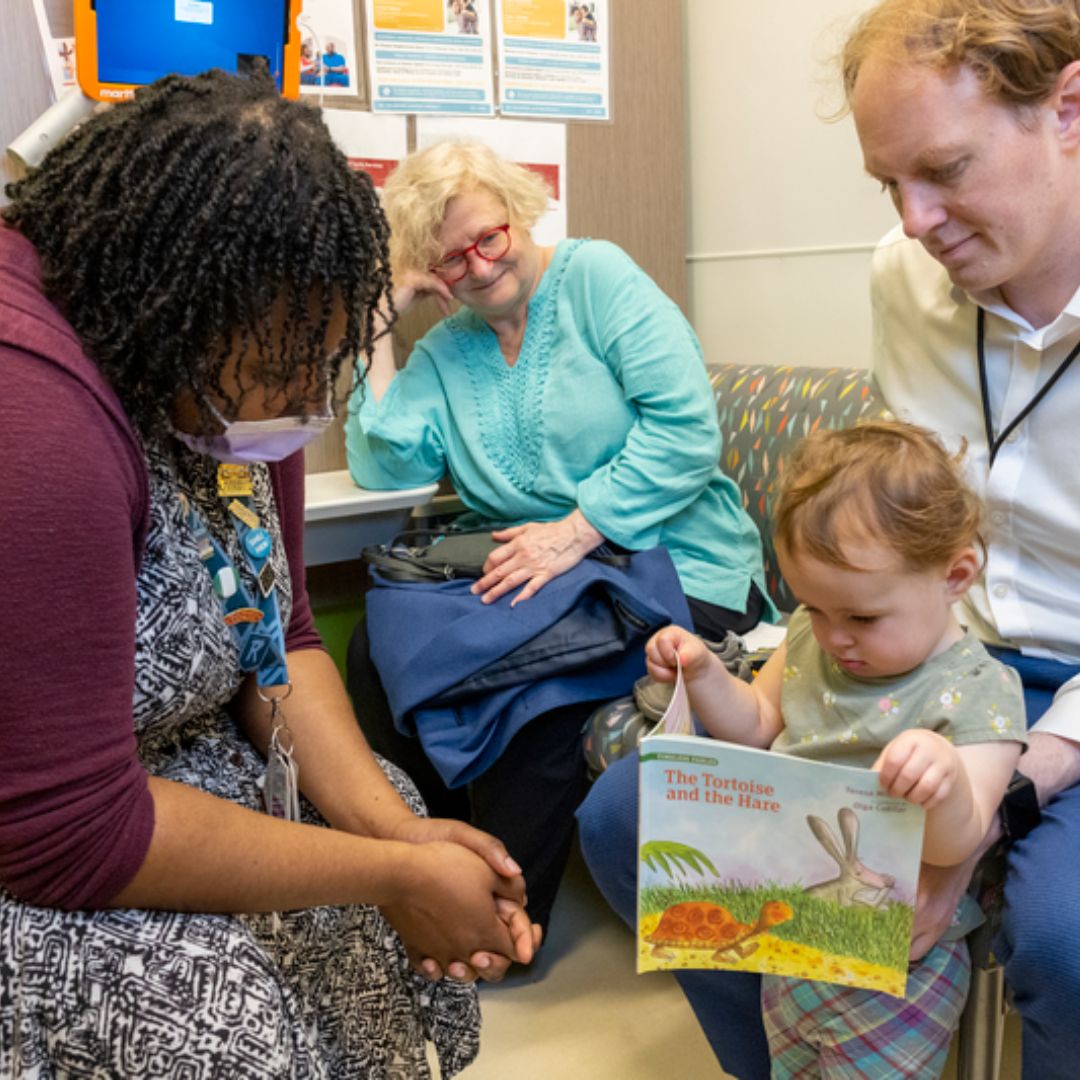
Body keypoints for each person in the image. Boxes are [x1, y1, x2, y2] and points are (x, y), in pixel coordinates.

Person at [0, 69, 539, 1079]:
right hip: (46, 842)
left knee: (394, 803)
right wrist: (382, 874)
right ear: (173, 310)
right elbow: (66, 833)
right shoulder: (31, 411)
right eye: (287, 368)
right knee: (208, 1001)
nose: (303, 399)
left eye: (324, 361)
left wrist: (399, 842)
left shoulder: (248, 351)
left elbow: (278, 642)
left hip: (173, 768)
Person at [581, 1, 1080, 1076]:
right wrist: (797, 648)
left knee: (1068, 942)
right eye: (886, 182)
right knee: (633, 821)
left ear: (1070, 111)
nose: (913, 219)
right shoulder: (909, 276)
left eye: (945, 169)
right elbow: (901, 508)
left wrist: (1003, 786)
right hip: (931, 645)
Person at [343, 138, 772, 935]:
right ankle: (434, 873)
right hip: (553, 586)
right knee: (375, 650)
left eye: (489, 238)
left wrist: (575, 532)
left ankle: (501, 922)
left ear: (519, 211)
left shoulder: (596, 279)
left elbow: (685, 433)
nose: (477, 267)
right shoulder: (445, 349)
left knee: (531, 695)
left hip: (680, 568)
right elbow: (381, 461)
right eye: (450, 262)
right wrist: (377, 327)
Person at [647, 421, 1025, 1078]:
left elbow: (956, 844)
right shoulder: (811, 638)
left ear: (955, 576)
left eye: (862, 618)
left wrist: (945, 781)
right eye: (814, 608)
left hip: (901, 967)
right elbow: (760, 724)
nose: (832, 637)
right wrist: (707, 675)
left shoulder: (981, 690)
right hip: (789, 940)